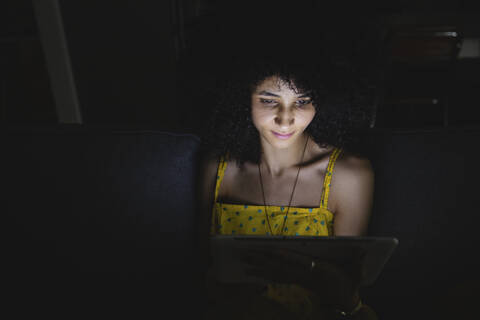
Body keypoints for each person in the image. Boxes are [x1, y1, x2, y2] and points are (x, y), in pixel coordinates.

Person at [196, 53, 377, 319]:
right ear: (243, 96)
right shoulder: (218, 169)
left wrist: (311, 273)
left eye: (302, 101)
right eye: (269, 100)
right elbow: (200, 264)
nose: (285, 119)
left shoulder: (348, 175)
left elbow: (344, 287)